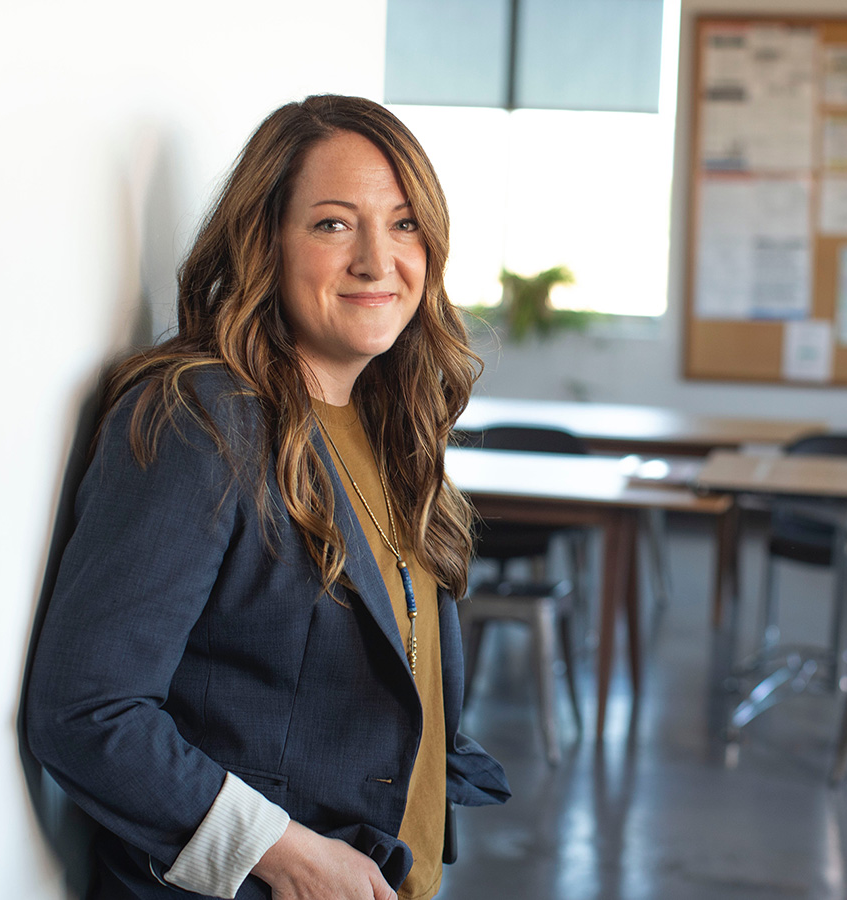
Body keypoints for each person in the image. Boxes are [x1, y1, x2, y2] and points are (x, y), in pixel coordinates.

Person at [25, 95, 509, 900]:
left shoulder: (390, 421)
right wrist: (287, 854)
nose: (376, 260)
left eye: (403, 224)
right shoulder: (202, 417)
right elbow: (86, 710)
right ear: (266, 242)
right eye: (332, 224)